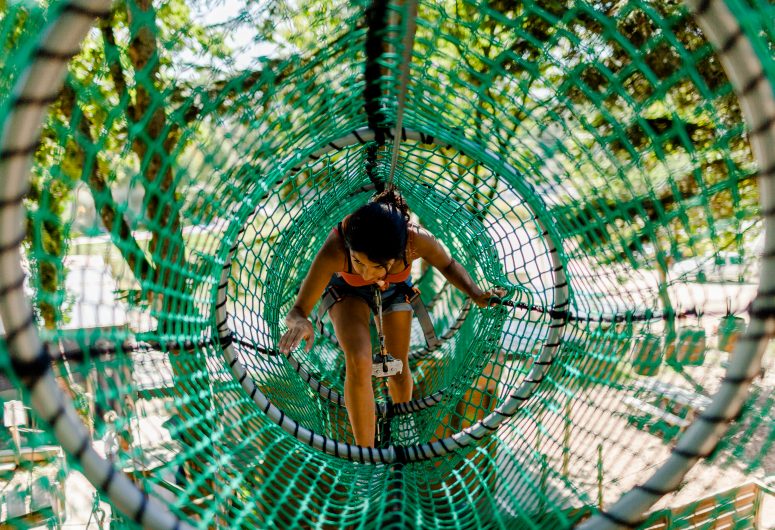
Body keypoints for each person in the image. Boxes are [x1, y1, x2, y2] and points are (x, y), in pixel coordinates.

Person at [279, 187, 504, 447]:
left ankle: (403, 419)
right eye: (358, 262)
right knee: (359, 358)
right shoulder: (336, 249)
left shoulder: (415, 240)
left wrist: (475, 293)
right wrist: (302, 323)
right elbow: (297, 311)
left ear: (398, 255)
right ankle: (366, 454)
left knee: (396, 365)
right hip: (346, 293)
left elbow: (448, 264)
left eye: (376, 266)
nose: (366, 274)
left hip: (395, 291)